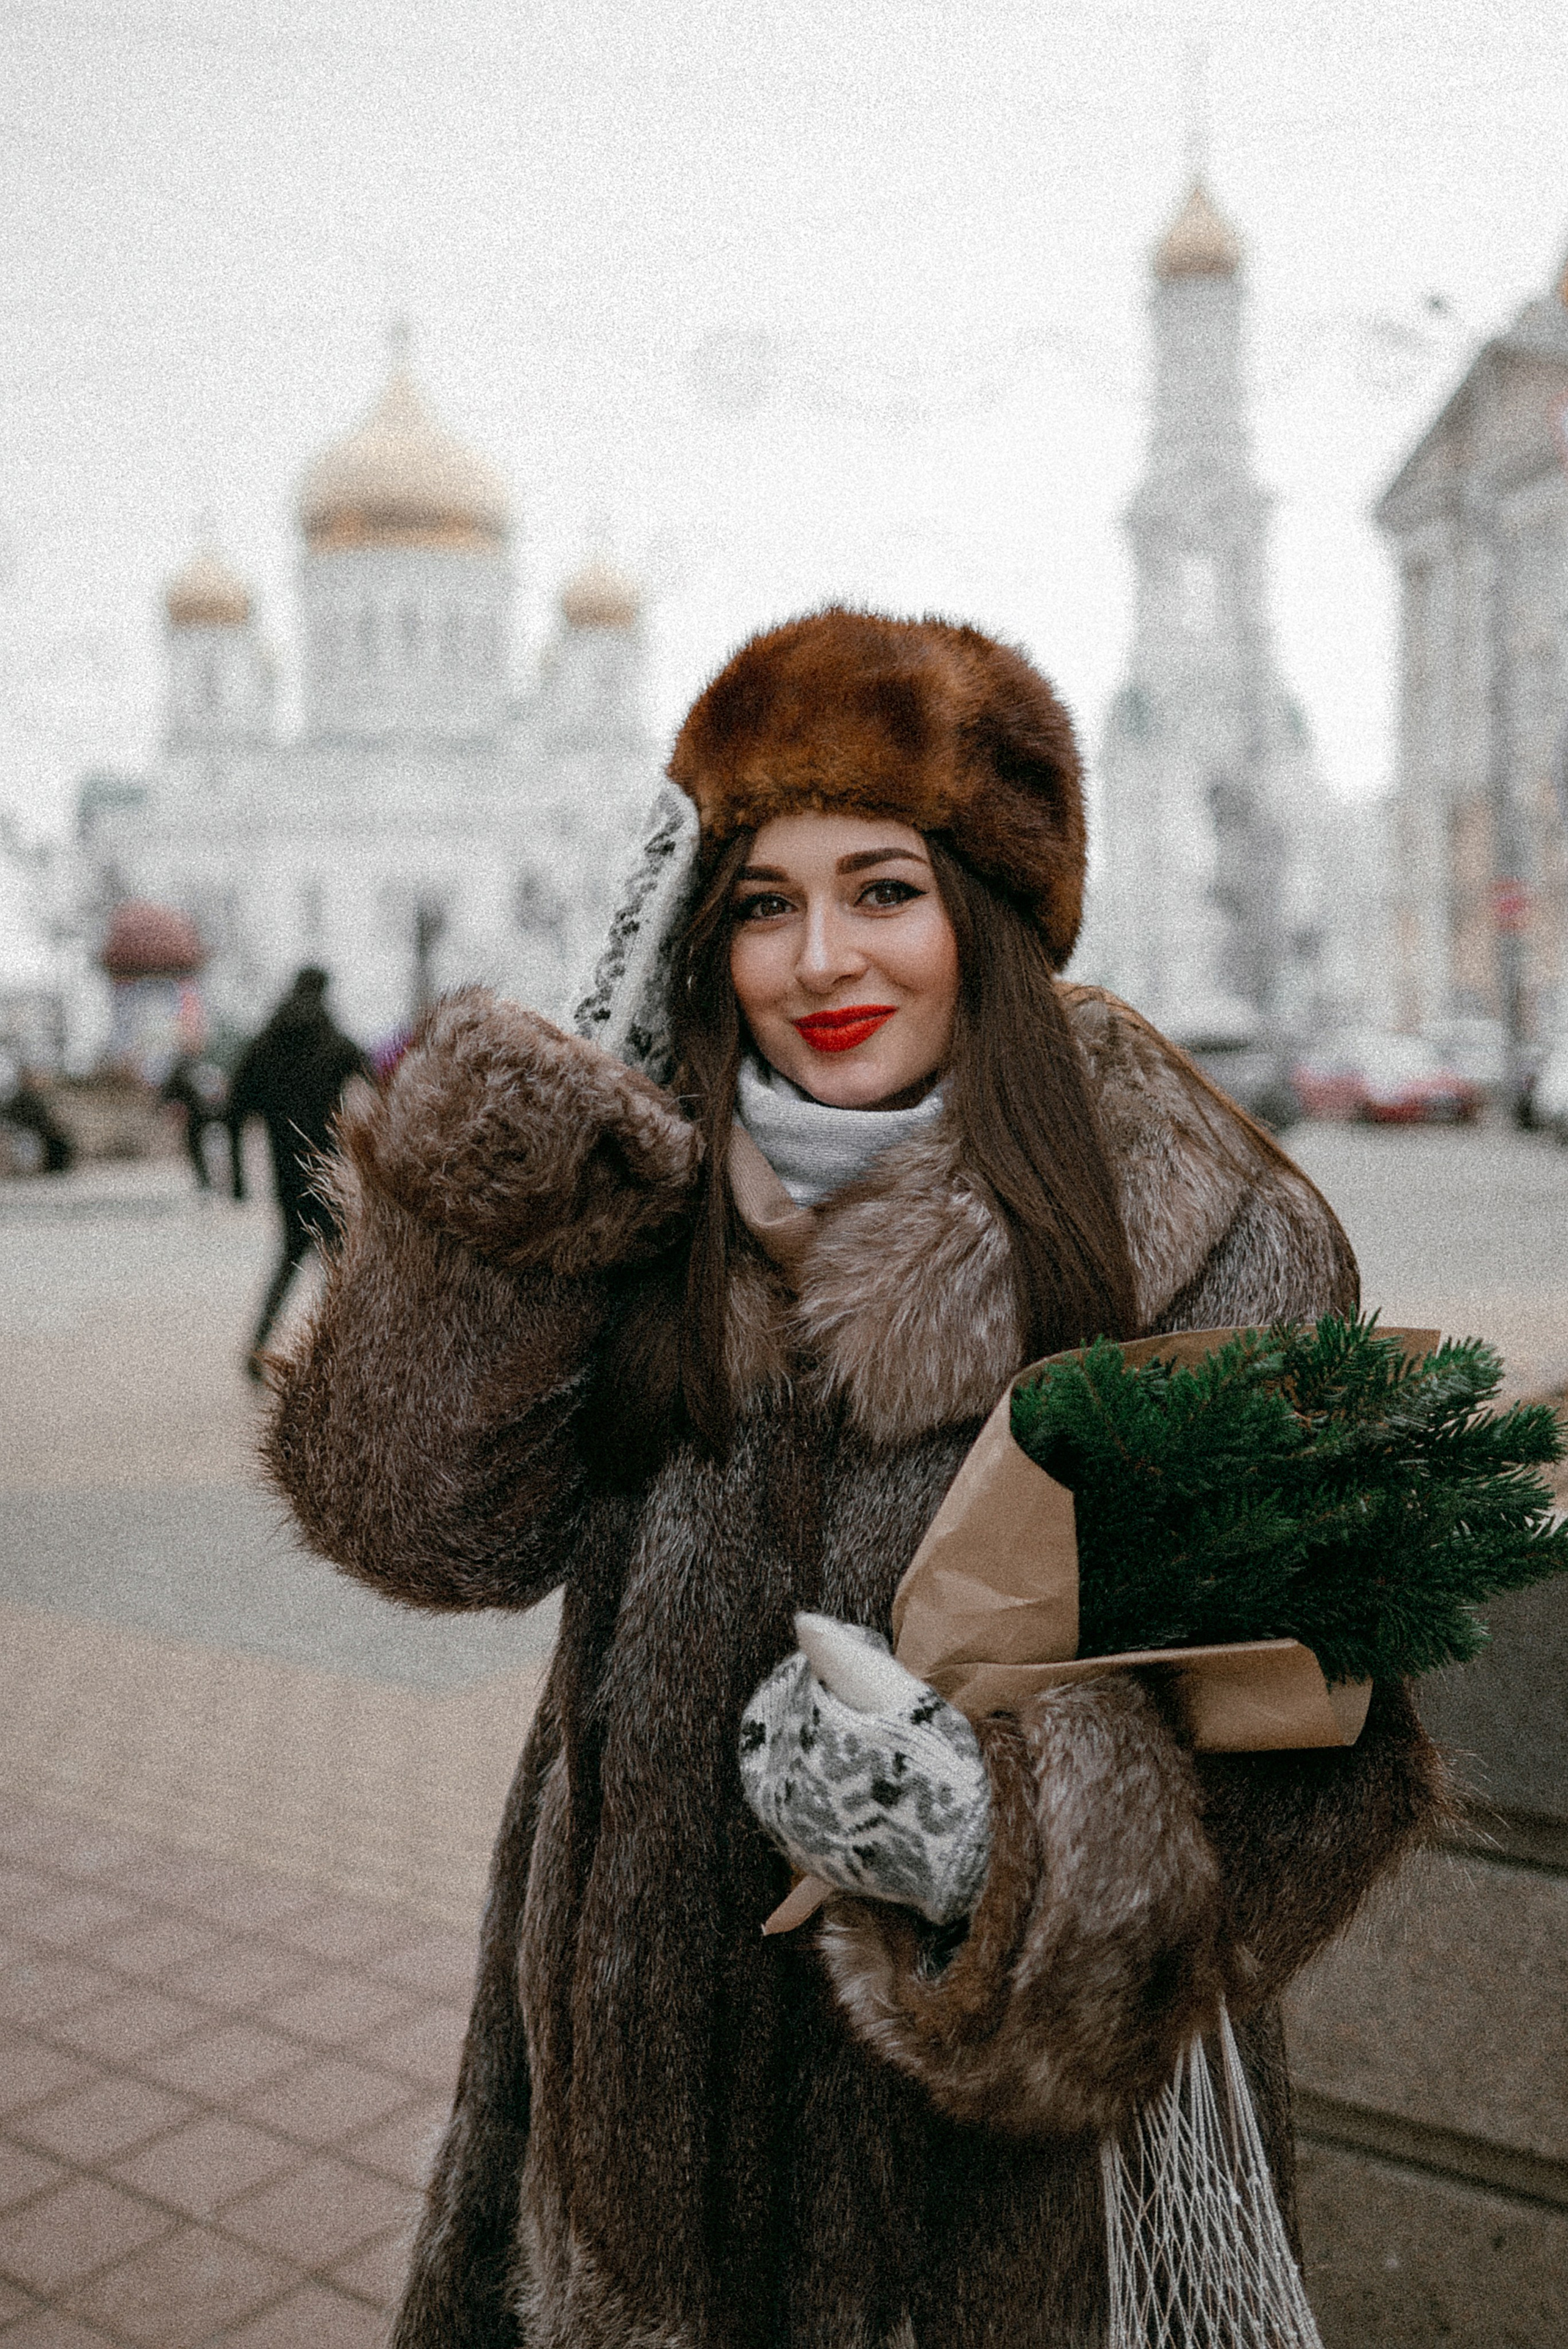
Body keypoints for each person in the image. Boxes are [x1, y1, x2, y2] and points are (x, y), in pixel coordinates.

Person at [265, 611, 1446, 2349]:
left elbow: (1329, 1755)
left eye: (882, 888)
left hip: (1004, 2226)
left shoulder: (1200, 1233)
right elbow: (418, 1527)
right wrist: (510, 1183)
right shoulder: (639, 1199)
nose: (821, 956)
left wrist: (998, 1843)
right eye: (763, 899)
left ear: (983, 909)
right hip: (628, 2178)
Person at [228, 966, 369, 1376]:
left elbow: (235, 1112)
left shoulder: (264, 1045)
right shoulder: (334, 1042)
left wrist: (237, 1180)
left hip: (285, 1174)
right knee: (337, 1263)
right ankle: (338, 1355)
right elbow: (378, 1085)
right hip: (326, 1168)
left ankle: (258, 1348)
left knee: (289, 1259)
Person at [161, 1052, 227, 1191]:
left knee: (216, 1149)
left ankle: (217, 1180)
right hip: (195, 1117)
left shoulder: (210, 1066)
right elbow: (171, 1092)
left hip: (212, 1116)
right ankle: (205, 1181)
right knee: (197, 1148)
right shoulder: (182, 1069)